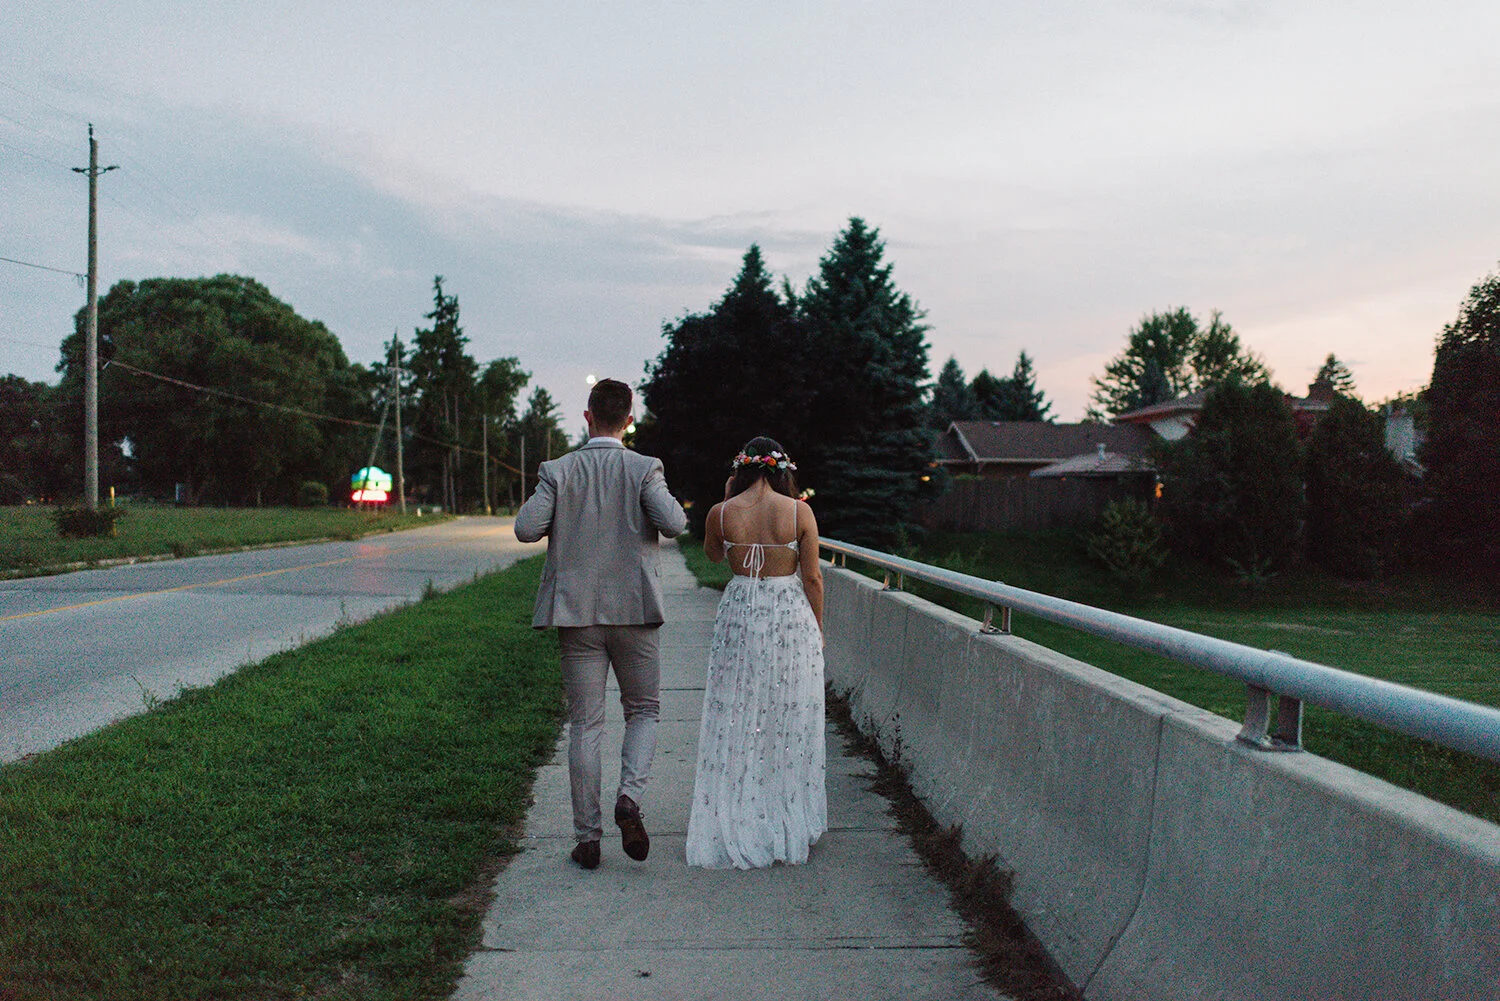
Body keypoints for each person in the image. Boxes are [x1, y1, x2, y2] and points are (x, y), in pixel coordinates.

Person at [514, 378, 687, 870]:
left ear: (586, 416)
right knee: (644, 711)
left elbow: (526, 529)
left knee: (585, 725)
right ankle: (629, 799)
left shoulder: (559, 471)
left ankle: (588, 839)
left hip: (578, 616)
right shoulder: (643, 468)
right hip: (635, 613)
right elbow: (674, 523)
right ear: (629, 420)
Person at [686, 436, 827, 869]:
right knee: (786, 715)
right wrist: (818, 632)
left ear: (742, 470)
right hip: (788, 616)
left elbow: (712, 556)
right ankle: (784, 818)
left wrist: (727, 501)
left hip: (740, 614)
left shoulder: (721, 512)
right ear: (782, 469)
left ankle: (739, 812)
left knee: (737, 711)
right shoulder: (799, 511)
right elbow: (814, 578)